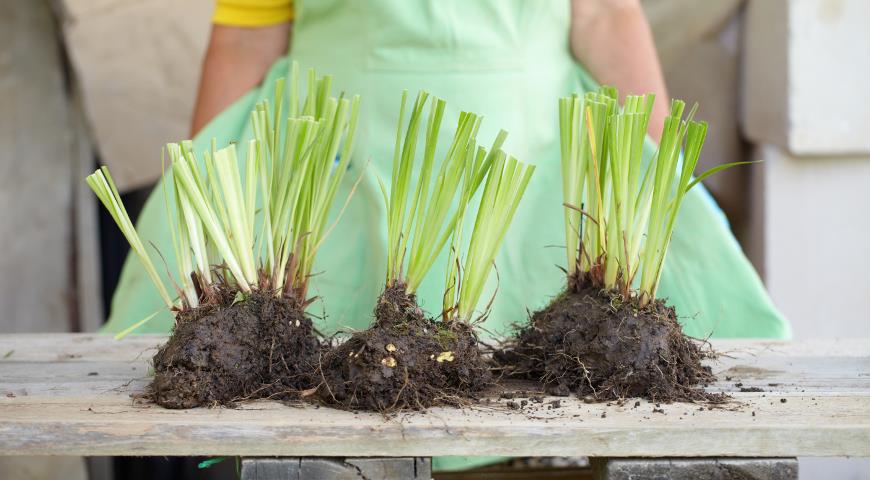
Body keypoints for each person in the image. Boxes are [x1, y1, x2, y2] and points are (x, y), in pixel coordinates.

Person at [105, 0, 788, 470]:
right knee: (316, 418)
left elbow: (606, 11)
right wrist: (206, 203)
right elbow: (246, 35)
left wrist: (657, 181)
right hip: (330, 179)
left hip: (538, 174)